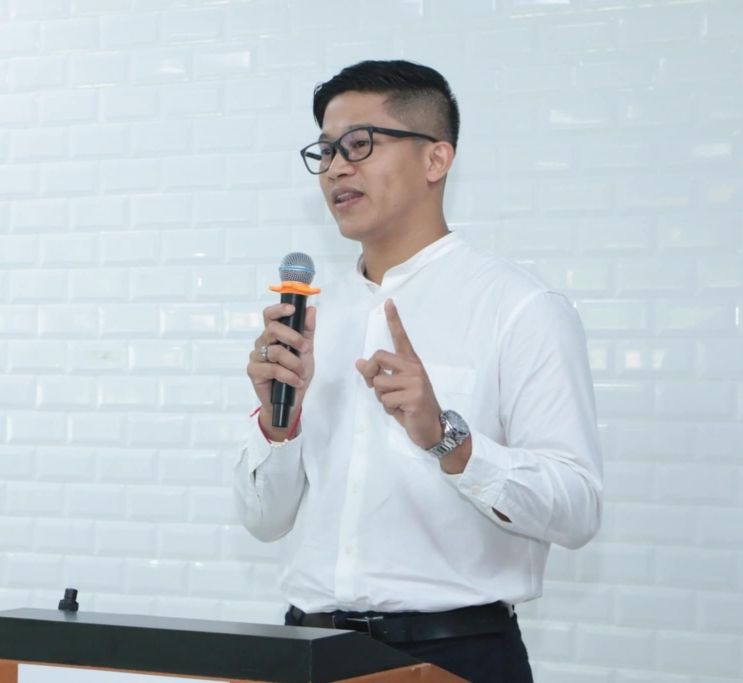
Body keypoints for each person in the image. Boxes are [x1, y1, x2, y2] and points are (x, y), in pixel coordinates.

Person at [232, 60, 603, 683]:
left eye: (359, 144)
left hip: (455, 655)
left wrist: (447, 438)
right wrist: (278, 426)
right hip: (307, 652)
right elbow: (263, 521)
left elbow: (577, 510)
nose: (336, 168)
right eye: (325, 151)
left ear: (436, 159)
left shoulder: (520, 307)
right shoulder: (311, 319)